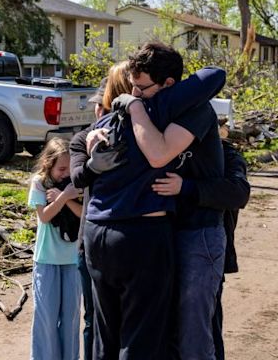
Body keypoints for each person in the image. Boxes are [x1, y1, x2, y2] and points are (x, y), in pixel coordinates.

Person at [73, 42, 226, 359]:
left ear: (169, 85)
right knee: (142, 339)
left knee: (120, 337)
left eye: (141, 87)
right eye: (130, 86)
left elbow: (216, 74)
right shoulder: (137, 112)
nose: (133, 92)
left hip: (174, 230)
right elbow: (153, 155)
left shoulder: (150, 110)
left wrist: (133, 108)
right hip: (141, 236)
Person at [152, 134, 250, 360]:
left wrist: (186, 187)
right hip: (166, 249)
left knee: (202, 332)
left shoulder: (226, 152)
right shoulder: (167, 146)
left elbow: (238, 192)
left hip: (205, 252)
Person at [71, 65, 132, 360]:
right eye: (97, 105)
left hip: (118, 237)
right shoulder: (83, 139)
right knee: (93, 320)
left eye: (100, 104)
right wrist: (96, 161)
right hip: (90, 241)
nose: (97, 110)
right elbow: (77, 178)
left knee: (120, 324)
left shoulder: (136, 130)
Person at [28, 137, 83, 360]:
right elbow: (44, 216)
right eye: (61, 168)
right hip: (46, 260)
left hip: (72, 260)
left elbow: (83, 214)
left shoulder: (75, 185)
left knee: (70, 319)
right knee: (46, 320)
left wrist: (66, 197)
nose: (65, 174)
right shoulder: (39, 182)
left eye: (69, 168)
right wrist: (63, 198)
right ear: (48, 165)